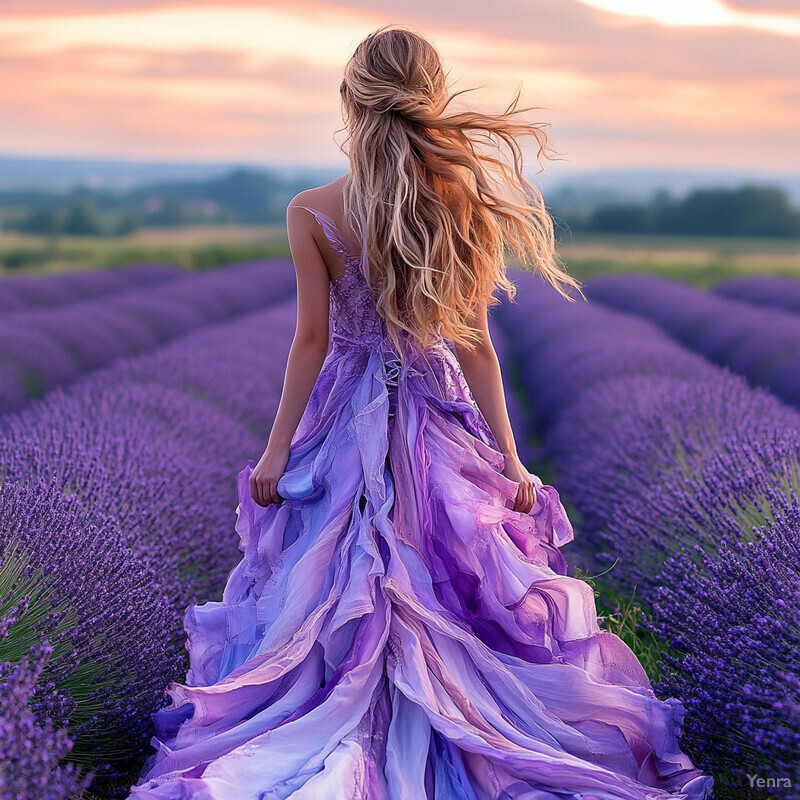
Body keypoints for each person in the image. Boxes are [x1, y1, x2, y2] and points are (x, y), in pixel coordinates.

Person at [128, 25, 714, 800]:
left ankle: (349, 720)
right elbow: (477, 349)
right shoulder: (457, 200)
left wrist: (275, 454)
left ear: (351, 101)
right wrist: (509, 461)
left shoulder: (313, 211)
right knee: (446, 581)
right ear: (431, 100)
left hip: (347, 417)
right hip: (437, 415)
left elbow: (310, 341)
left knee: (342, 580)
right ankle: (456, 717)